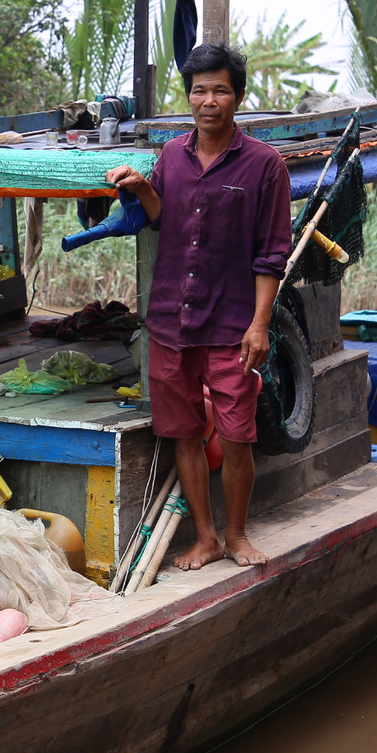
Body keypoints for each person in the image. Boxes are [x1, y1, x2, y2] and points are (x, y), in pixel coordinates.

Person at [105, 42, 292, 569]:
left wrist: (260, 325)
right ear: (189, 96)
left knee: (236, 435)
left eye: (219, 90)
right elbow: (165, 217)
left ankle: (236, 535)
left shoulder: (264, 165)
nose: (208, 100)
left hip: (234, 325)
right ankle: (206, 538)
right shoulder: (171, 155)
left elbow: (272, 253)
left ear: (238, 96)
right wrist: (143, 188)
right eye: (199, 90)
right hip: (170, 321)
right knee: (183, 432)